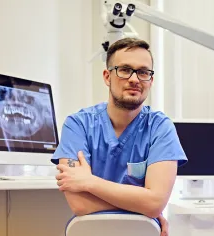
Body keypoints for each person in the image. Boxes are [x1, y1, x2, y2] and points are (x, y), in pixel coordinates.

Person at [50, 37, 187, 236]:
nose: (134, 79)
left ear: (151, 79)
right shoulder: (78, 125)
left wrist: (89, 182)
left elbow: (155, 203)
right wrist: (143, 206)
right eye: (124, 69)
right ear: (107, 76)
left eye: (143, 72)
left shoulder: (160, 127)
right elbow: (79, 204)